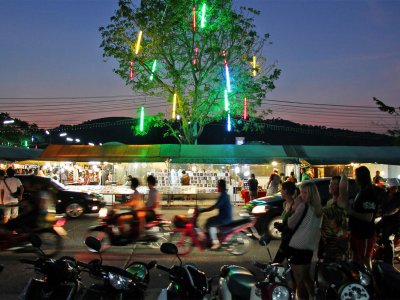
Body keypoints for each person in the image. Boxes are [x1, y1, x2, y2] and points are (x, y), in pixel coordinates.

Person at [287, 181, 323, 300]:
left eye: (304, 192)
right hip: (309, 247)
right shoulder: (318, 209)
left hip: (297, 246)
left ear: (311, 194)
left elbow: (290, 223)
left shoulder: (303, 206)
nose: (302, 195)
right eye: (301, 192)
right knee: (306, 276)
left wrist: (294, 206)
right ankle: (314, 296)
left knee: (299, 280)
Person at [345, 166, 380, 271]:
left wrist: (351, 212)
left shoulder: (369, 193)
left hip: (365, 234)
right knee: (357, 259)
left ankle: (370, 283)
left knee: (365, 260)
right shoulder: (362, 191)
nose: (355, 178)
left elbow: (368, 217)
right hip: (358, 233)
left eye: (356, 176)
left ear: (361, 177)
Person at [319, 175, 349, 262]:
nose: (331, 186)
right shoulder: (329, 202)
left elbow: (344, 187)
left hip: (338, 243)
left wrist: (343, 174)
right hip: (327, 242)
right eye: (330, 183)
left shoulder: (341, 201)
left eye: (335, 184)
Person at [198, 179, 232, 250]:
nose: (217, 187)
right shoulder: (223, 194)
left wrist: (203, 210)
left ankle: (216, 243)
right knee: (208, 220)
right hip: (222, 216)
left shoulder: (223, 196)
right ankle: (211, 237)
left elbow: (215, 206)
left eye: (218, 186)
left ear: (221, 187)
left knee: (210, 225)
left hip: (224, 218)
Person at [375, 178, 400, 264]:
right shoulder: (384, 195)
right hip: (384, 220)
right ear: (389, 187)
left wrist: (382, 213)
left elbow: (394, 209)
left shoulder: (398, 197)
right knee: (372, 230)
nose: (394, 189)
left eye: (396, 187)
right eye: (393, 187)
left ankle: (389, 263)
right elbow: (378, 203)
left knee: (388, 241)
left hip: (394, 223)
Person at [273, 181, 297, 263]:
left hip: (291, 238)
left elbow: (294, 222)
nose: (280, 191)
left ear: (286, 191)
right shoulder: (284, 204)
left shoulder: (295, 205)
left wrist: (283, 227)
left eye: (281, 189)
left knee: (278, 261)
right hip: (285, 236)